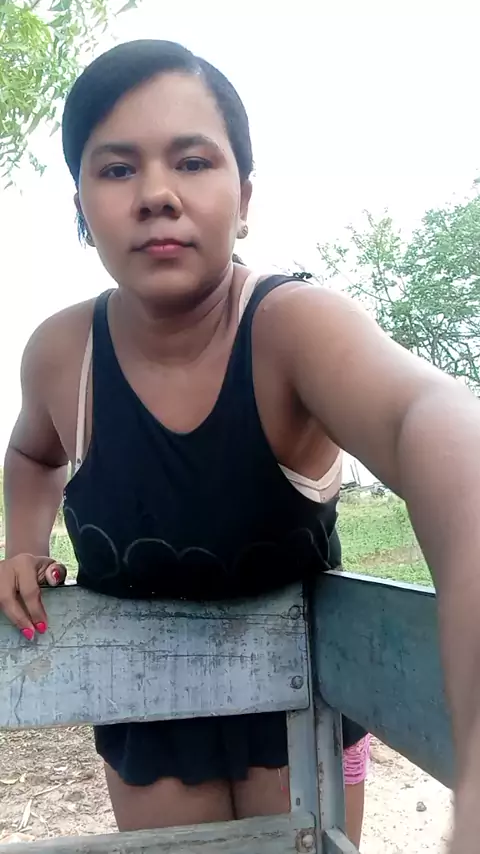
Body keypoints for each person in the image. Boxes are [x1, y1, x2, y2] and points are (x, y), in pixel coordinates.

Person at [1, 40, 480, 854]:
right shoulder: (60, 354)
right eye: (116, 169)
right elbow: (31, 455)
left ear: (245, 197)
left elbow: (428, 419)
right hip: (144, 707)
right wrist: (24, 545)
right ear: (81, 208)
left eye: (192, 161)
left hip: (303, 700)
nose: (157, 194)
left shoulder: (294, 331)